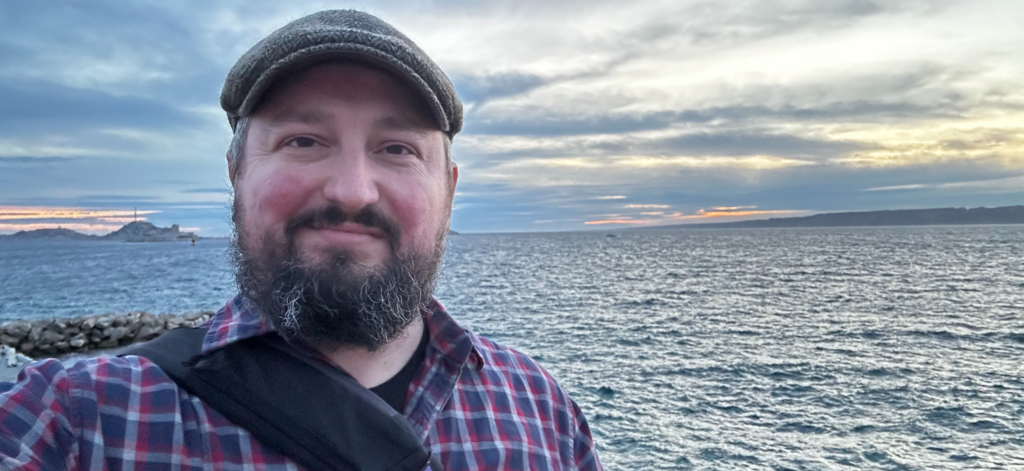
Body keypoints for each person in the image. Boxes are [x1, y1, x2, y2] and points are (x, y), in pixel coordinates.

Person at [0, 10, 602, 471]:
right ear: (238, 173)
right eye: (304, 141)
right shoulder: (77, 419)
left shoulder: (542, 413)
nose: (351, 191)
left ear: (446, 189)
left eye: (397, 149)